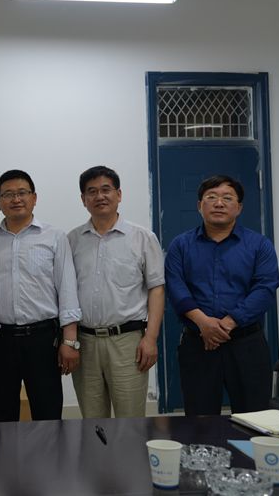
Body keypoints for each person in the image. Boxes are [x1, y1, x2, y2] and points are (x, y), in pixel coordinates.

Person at [165, 175, 279, 415]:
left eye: (227, 198)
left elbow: (265, 288)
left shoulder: (259, 245)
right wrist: (204, 323)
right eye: (211, 197)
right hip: (198, 344)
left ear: (239, 207)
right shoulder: (181, 245)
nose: (219, 203)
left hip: (247, 344)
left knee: (254, 418)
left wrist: (226, 324)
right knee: (200, 421)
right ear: (200, 205)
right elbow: (176, 287)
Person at [0, 169, 81, 422]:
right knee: (0, 416)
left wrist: (70, 341)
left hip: (42, 339)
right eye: (8, 194)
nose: (16, 199)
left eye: (22, 192)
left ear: (34, 198)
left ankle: (48, 451)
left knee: (47, 414)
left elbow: (67, 288)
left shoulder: (54, 237)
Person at [67, 166, 165, 418]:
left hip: (128, 341)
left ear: (119, 194)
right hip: (85, 342)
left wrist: (151, 338)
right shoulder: (72, 240)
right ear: (83, 199)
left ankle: (129, 450)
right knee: (93, 421)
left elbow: (156, 289)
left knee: (130, 421)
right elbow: (66, 293)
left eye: (106, 190)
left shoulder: (143, 238)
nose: (99, 196)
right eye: (92, 192)